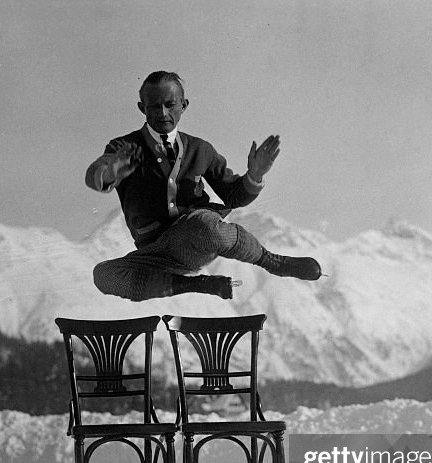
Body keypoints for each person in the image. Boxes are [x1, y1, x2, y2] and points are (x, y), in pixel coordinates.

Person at [85, 70, 322, 301]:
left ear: (184, 105)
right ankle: (196, 285)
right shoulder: (124, 147)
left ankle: (273, 262)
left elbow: (233, 195)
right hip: (155, 252)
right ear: (142, 108)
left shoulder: (201, 149)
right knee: (104, 276)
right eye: (154, 106)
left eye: (170, 104)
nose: (163, 112)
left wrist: (254, 175)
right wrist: (110, 171)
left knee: (203, 225)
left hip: (197, 238)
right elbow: (96, 176)